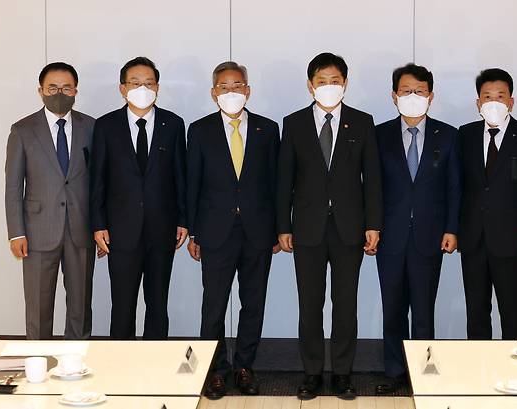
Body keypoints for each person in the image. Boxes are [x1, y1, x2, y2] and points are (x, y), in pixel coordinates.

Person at [276, 52, 382, 400]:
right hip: (306, 228)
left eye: (336, 80)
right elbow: (284, 181)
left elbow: (373, 180)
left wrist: (373, 224)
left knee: (345, 303)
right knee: (309, 304)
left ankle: (342, 373)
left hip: (350, 229)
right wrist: (283, 226)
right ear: (310, 85)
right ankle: (310, 373)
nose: (329, 86)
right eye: (322, 81)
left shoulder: (362, 122)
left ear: (345, 84)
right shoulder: (292, 123)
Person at [186, 61, 280, 399]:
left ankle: (244, 367)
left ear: (248, 90)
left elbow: (276, 185)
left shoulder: (267, 130)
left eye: (237, 85)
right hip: (214, 232)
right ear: (214, 93)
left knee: (253, 303)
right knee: (213, 305)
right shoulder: (199, 130)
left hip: (257, 231)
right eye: (224, 87)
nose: (231, 92)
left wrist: (278, 230)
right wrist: (194, 231)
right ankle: (216, 370)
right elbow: (192, 183)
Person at [372, 63, 460, 394]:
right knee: (393, 308)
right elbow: (372, 187)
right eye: (406, 91)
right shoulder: (378, 134)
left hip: (430, 236)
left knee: (423, 310)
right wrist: (372, 227)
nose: (413, 96)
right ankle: (394, 372)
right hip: (389, 236)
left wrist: (452, 229)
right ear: (394, 96)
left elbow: (454, 188)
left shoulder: (447, 135)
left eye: (420, 91)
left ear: (431, 96)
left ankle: (423, 374)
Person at [90, 56, 187, 340]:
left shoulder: (173, 123)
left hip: (162, 228)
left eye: (149, 83)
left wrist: (183, 219)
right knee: (122, 305)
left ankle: (156, 369)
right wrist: (98, 224)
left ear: (157, 87)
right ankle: (121, 369)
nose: (142, 88)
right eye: (135, 83)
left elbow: (180, 176)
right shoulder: (106, 125)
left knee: (158, 304)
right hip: (120, 231)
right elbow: (98, 179)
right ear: (122, 88)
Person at [5, 62, 95, 340]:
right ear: (41, 90)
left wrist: (101, 226)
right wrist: (16, 233)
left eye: (66, 87)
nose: (60, 92)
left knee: (80, 307)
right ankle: (38, 364)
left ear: (76, 91)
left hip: (81, 230)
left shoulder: (91, 127)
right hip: (36, 232)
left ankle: (77, 365)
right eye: (53, 87)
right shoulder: (22, 130)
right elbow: (12, 186)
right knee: (39, 308)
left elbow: (99, 183)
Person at [458, 68, 517, 340]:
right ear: (478, 103)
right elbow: (458, 186)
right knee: (476, 310)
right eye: (487, 96)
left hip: (512, 239)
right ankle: (479, 370)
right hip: (472, 237)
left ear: (511, 101)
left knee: (511, 310)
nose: (493, 102)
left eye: (500, 96)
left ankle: (512, 372)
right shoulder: (466, 134)